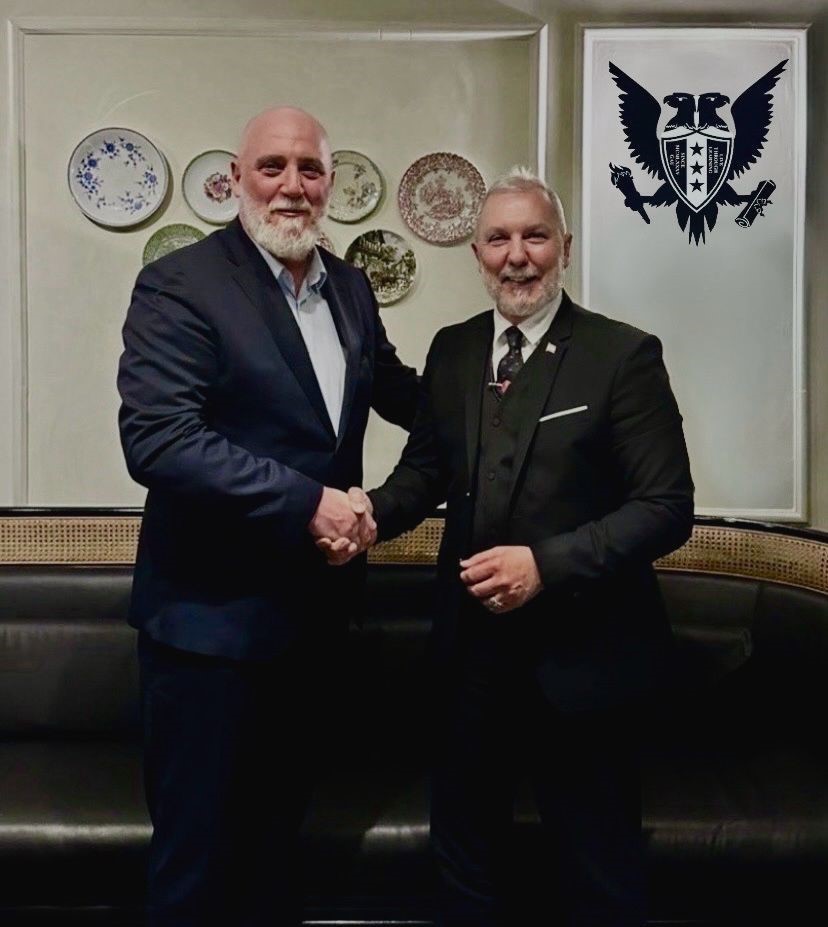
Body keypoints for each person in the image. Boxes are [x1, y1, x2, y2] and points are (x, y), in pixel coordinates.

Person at [321, 167, 694, 926]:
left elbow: (666, 508)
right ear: (477, 253)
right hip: (470, 659)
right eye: (498, 239)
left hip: (585, 659)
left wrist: (543, 566)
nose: (516, 255)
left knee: (598, 864)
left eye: (534, 236)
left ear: (565, 247)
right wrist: (366, 516)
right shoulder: (454, 349)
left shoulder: (623, 355)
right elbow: (426, 471)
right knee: (463, 852)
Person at [117, 105, 418, 927]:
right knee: (198, 859)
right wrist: (306, 501)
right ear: (236, 179)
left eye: (309, 168)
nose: (292, 185)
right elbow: (160, 440)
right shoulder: (181, 283)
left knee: (278, 846)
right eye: (272, 166)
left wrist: (508, 401)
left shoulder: (349, 287)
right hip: (208, 631)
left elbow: (404, 395)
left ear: (330, 182)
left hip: (314, 623)